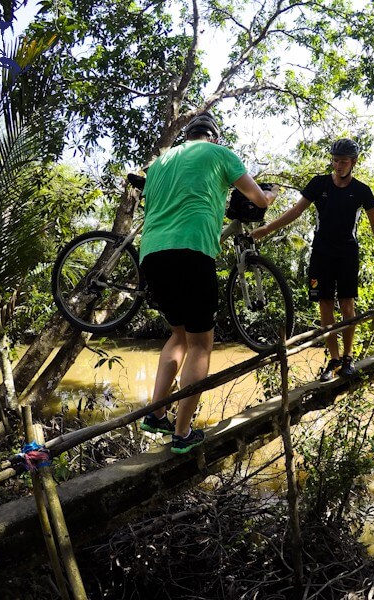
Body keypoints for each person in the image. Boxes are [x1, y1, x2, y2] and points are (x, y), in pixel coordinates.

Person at [138, 112, 278, 454]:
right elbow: (257, 199)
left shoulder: (159, 162)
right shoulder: (220, 154)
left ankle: (157, 413)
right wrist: (269, 196)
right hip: (192, 248)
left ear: (188, 134)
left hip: (152, 252)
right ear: (213, 137)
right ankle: (182, 433)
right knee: (201, 343)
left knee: (178, 334)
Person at [252, 138, 374, 381]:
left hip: (348, 253)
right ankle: (334, 359)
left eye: (343, 162)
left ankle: (348, 358)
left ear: (353, 163)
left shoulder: (362, 191)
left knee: (347, 304)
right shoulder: (318, 184)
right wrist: (266, 229)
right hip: (321, 253)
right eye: (335, 161)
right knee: (325, 305)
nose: (338, 166)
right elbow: (296, 211)